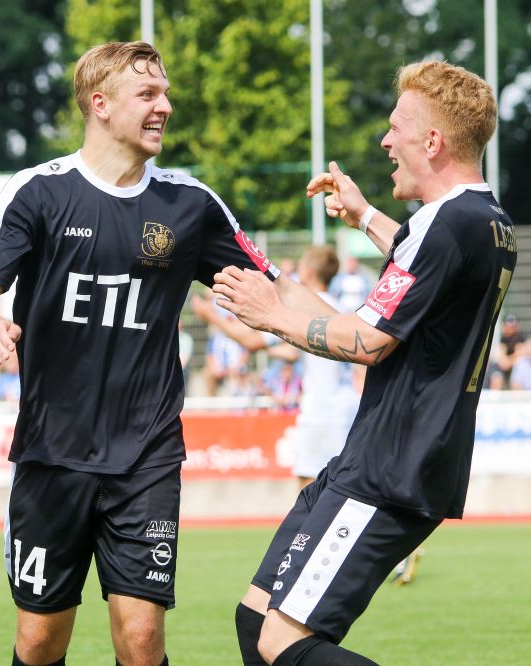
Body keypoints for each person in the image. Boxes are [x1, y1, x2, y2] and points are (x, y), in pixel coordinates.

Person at [0, 41, 280, 666]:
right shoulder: (37, 192)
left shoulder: (191, 204)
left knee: (140, 638)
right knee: (40, 640)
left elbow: (269, 285)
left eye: (166, 93)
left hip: (147, 455)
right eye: (149, 94)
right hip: (52, 454)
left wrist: (354, 323)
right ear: (100, 105)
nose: (166, 106)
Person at [214, 61, 516, 665]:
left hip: (390, 466)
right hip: (384, 458)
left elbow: (372, 340)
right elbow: (425, 269)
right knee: (255, 620)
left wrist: (271, 314)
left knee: (284, 641)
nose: (384, 141)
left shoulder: (448, 224)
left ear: (431, 141)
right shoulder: (487, 221)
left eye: (396, 126)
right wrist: (364, 216)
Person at [192, 245, 362, 488]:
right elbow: (295, 352)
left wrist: (213, 318)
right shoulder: (342, 308)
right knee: (343, 490)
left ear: (309, 271)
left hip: (320, 411)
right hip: (348, 408)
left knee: (308, 491)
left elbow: (251, 340)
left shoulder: (302, 309)